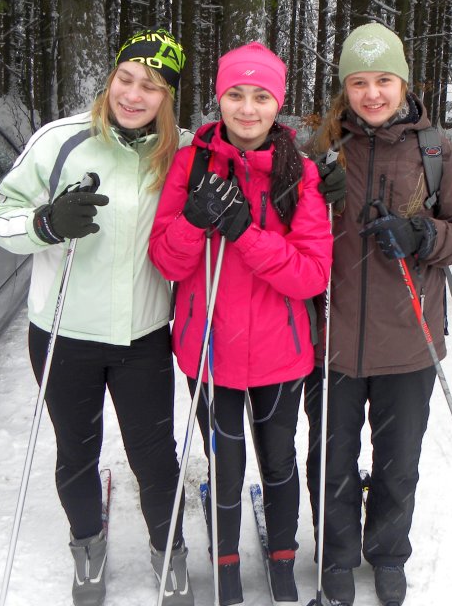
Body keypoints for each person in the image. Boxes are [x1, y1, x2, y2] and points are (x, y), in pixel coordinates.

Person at [0, 29, 194, 606]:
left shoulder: (181, 151)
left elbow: (246, 168)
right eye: (126, 78)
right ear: (110, 78)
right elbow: (0, 217)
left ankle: (169, 552)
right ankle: (87, 547)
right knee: (77, 451)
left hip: (142, 335)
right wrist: (46, 223)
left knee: (154, 456)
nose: (133, 94)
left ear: (167, 97)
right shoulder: (60, 140)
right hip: (63, 334)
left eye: (151, 87)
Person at [304, 22, 452, 606]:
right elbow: (288, 228)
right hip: (331, 339)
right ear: (345, 87)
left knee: (398, 462)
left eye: (383, 80)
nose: (372, 93)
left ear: (404, 83)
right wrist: (308, 196)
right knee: (331, 460)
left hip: (409, 340)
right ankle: (336, 556)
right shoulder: (320, 150)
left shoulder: (435, 151)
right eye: (359, 82)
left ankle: (387, 553)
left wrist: (422, 235)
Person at [148, 42, 332, 606]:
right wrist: (194, 221)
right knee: (225, 464)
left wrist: (244, 234)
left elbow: (312, 274)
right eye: (235, 94)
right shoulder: (191, 165)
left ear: (278, 103)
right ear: (219, 98)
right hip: (209, 351)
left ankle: (283, 561)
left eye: (261, 96)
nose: (247, 109)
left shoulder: (298, 173)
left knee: (278, 461)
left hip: (281, 353)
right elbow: (167, 261)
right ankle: (226, 567)